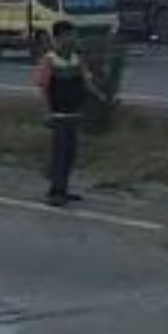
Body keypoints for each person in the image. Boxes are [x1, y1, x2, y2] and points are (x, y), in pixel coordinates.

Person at [34, 21, 106, 206]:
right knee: (60, 153)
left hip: (74, 112)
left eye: (73, 36)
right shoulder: (49, 60)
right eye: (69, 36)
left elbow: (86, 81)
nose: (73, 39)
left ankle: (63, 188)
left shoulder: (76, 59)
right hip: (58, 114)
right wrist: (46, 112)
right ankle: (55, 191)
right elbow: (42, 88)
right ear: (59, 37)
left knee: (70, 154)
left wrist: (98, 95)